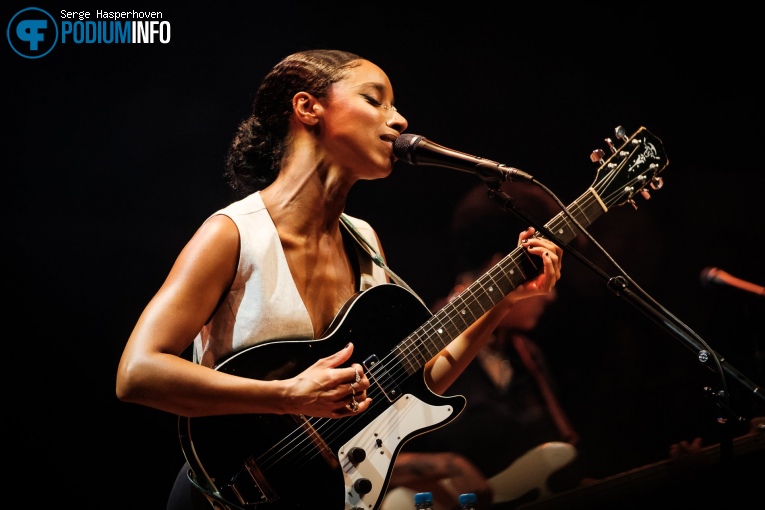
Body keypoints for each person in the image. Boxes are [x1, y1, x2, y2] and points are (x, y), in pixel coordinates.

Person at [115, 49, 563, 510]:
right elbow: (137, 373)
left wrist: (503, 302)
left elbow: (411, 381)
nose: (401, 120)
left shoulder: (363, 239)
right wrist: (287, 396)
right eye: (376, 100)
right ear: (308, 108)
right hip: (225, 494)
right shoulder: (233, 233)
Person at [381, 182, 584, 510]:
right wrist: (446, 464)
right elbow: (354, 455)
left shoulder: (527, 356)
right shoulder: (419, 348)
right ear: (500, 266)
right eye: (537, 266)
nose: (552, 294)